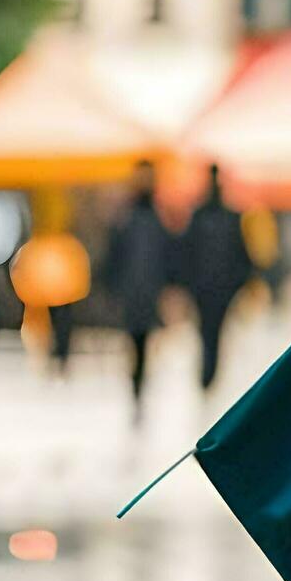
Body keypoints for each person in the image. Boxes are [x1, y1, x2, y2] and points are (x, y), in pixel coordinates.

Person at [102, 161, 174, 410]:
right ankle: (136, 381)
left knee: (143, 338)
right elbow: (115, 253)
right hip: (132, 288)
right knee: (134, 337)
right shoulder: (128, 215)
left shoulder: (157, 215)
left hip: (148, 288)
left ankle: (139, 381)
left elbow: (168, 254)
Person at [180, 164, 252, 390]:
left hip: (215, 287)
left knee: (211, 332)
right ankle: (208, 375)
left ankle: (208, 375)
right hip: (210, 287)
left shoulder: (214, 217)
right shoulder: (216, 217)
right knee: (210, 332)